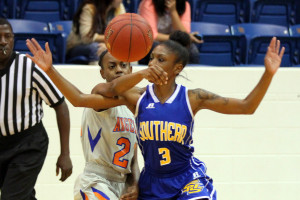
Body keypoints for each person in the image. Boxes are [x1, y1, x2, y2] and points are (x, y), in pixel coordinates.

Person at [26, 33, 284, 199]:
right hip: (152, 181)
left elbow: (247, 106)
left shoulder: (194, 97)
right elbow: (81, 98)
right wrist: (50, 70)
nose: (154, 64)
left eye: (161, 60)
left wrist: (268, 74)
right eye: (151, 58)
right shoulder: (136, 97)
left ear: (177, 68)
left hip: (186, 177)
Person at [0, 18, 73, 200]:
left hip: (27, 144)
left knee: (11, 198)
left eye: (7, 36)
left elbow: (60, 105)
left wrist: (65, 153)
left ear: (13, 40)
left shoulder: (29, 67)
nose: (2, 41)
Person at [73, 50, 139, 200]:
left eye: (123, 65)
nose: (119, 70)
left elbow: (133, 160)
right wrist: (144, 74)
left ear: (130, 69)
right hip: (96, 180)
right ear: (102, 73)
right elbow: (112, 88)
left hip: (121, 183)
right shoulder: (99, 95)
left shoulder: (133, 110)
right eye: (112, 66)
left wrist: (135, 184)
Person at [138, 0, 202, 64]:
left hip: (173, 41)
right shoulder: (148, 3)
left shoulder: (185, 5)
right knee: (157, 47)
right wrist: (177, 37)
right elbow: (151, 35)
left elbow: (183, 34)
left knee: (192, 49)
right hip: (153, 41)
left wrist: (173, 11)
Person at [66, 0, 125, 64]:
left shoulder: (119, 7)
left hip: (105, 44)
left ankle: (130, 73)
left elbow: (121, 36)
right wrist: (110, 42)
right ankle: (97, 73)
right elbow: (86, 38)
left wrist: (109, 45)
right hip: (79, 46)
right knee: (96, 49)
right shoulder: (89, 9)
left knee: (128, 48)